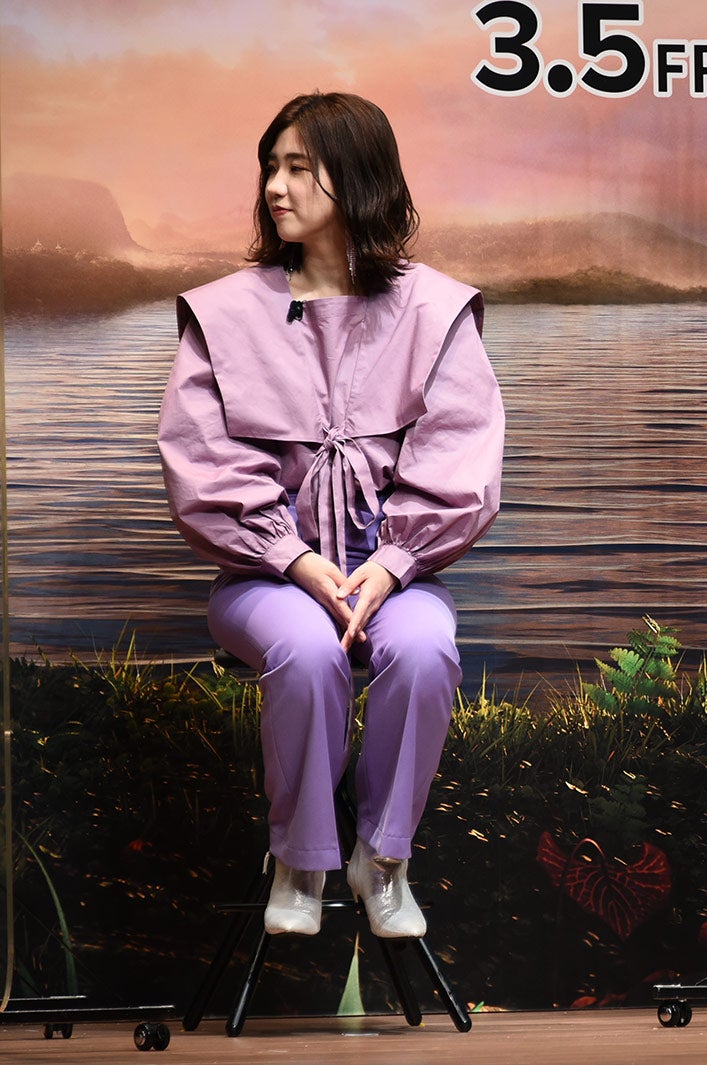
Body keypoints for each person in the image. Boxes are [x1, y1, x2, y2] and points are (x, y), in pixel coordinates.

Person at [159, 92, 504, 938]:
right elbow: (202, 460)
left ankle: (382, 858)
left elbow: (460, 451)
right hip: (265, 575)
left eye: (298, 168)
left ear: (354, 179)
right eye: (270, 168)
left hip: (394, 572)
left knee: (424, 649)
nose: (275, 187)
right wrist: (294, 558)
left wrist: (391, 562)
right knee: (307, 648)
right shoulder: (224, 312)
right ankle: (301, 858)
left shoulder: (434, 309)